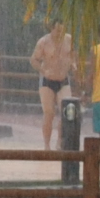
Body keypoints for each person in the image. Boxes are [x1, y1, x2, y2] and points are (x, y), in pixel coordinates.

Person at [30, 21, 77, 149]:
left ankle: (60, 141)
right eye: (57, 31)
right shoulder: (43, 42)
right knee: (49, 113)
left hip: (63, 79)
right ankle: (46, 144)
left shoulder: (68, 39)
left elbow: (73, 55)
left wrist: (73, 64)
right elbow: (33, 60)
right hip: (47, 80)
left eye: (62, 31)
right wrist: (43, 70)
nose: (59, 34)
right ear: (52, 28)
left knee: (66, 111)